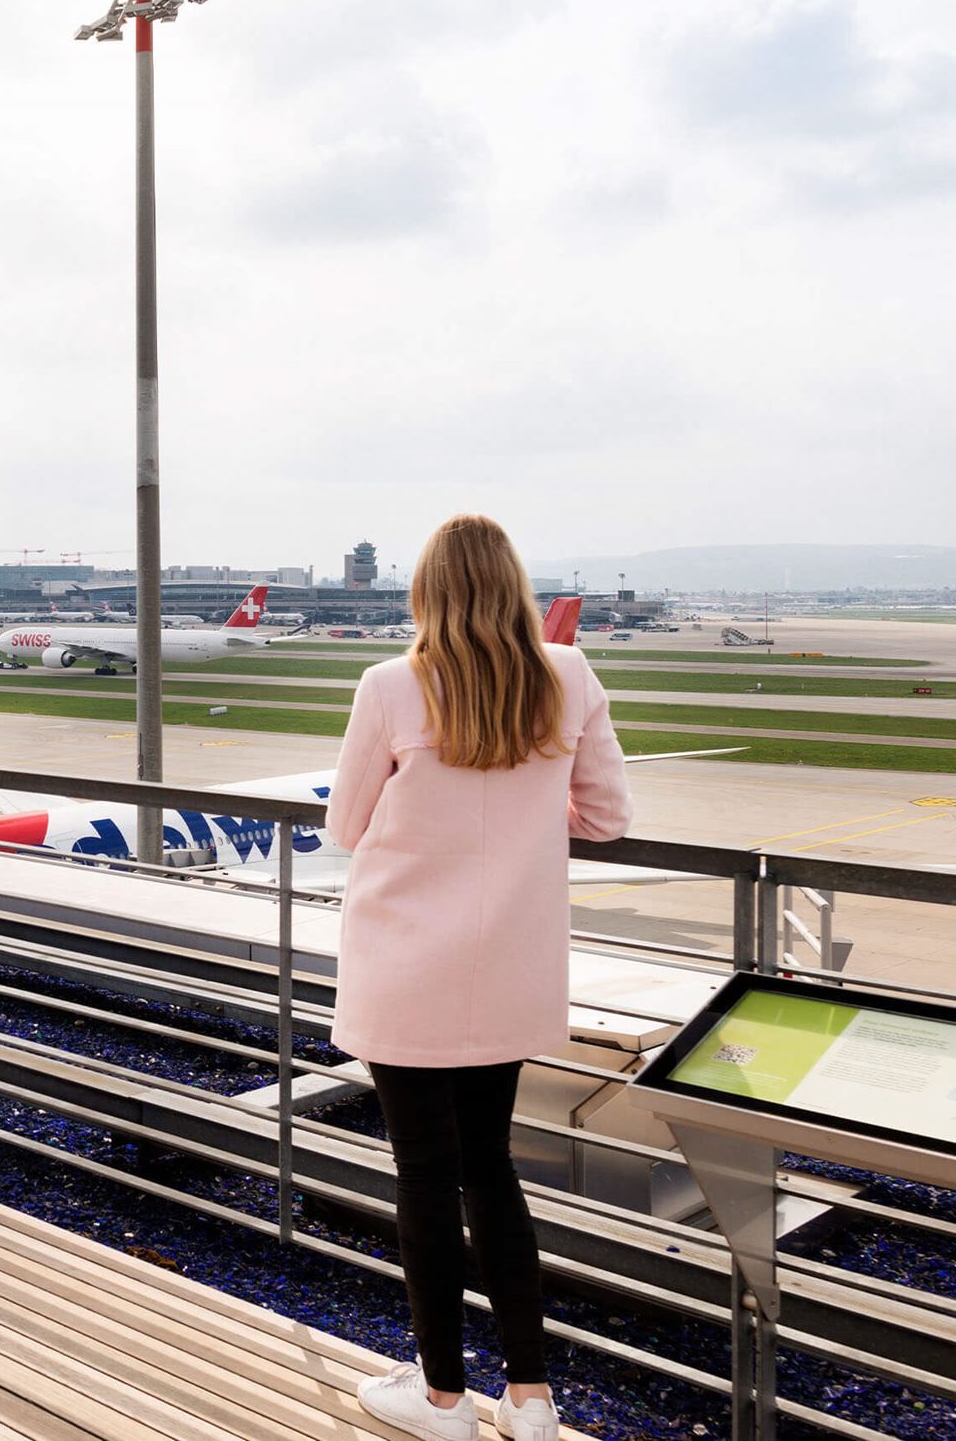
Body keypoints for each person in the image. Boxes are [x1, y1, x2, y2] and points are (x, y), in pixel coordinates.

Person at [326, 515, 631, 1441]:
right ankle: (531, 1398)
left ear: (425, 592)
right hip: (509, 962)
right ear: (514, 588)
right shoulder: (568, 675)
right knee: (491, 1168)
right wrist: (528, 819)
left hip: (405, 962)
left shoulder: (389, 685)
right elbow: (608, 816)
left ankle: (444, 1399)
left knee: (423, 1173)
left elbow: (345, 825)